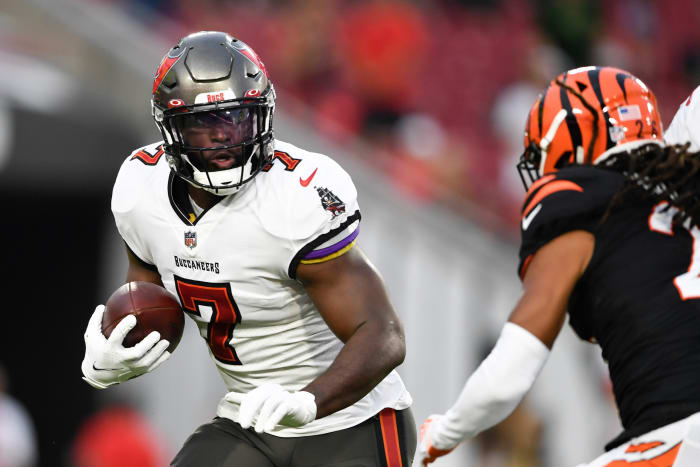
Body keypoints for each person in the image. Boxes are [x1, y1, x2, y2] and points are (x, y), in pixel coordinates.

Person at [80, 31, 415, 466]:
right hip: (251, 417)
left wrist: (308, 401)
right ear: (171, 129)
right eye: (205, 123)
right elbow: (150, 301)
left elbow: (383, 334)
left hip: (350, 421)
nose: (224, 137)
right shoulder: (140, 190)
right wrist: (117, 354)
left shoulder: (296, 196)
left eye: (238, 118)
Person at [417, 66, 700, 466]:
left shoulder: (581, 206)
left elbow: (511, 369)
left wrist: (440, 435)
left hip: (676, 436)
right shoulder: (684, 186)